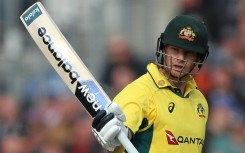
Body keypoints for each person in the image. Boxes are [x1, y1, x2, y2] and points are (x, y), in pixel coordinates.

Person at [92, 15, 210, 153]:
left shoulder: (200, 102)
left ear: (199, 58)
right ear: (163, 48)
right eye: (174, 50)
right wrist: (115, 136)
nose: (180, 59)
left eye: (189, 53)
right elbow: (116, 139)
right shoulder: (140, 92)